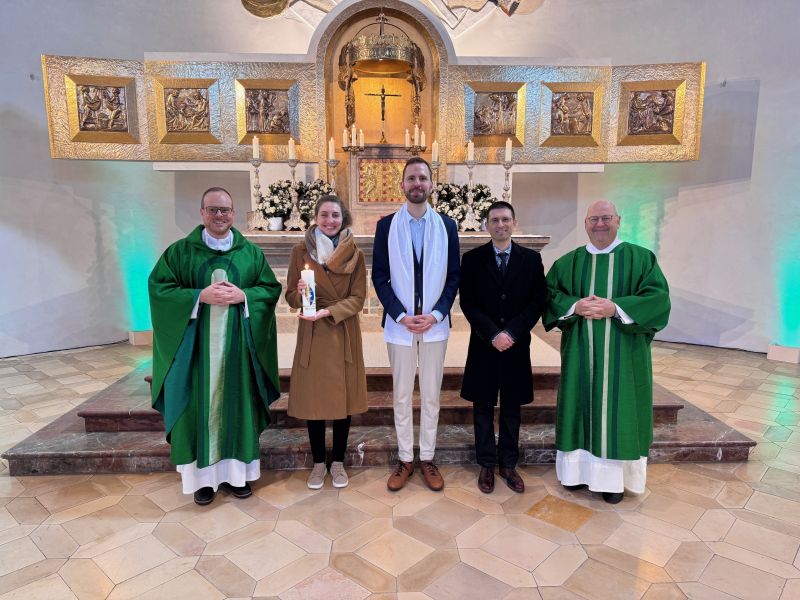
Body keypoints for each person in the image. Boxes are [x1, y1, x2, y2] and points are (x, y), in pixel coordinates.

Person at [148, 187, 281, 506]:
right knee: (197, 411)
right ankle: (202, 482)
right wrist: (197, 297)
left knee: (238, 406)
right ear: (202, 213)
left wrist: (244, 296)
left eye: (225, 210)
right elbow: (160, 290)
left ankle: (238, 478)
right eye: (213, 210)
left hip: (238, 352)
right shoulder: (180, 252)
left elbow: (269, 288)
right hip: (196, 356)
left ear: (234, 214)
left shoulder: (250, 253)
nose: (219, 215)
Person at [543, 200, 670, 504]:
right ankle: (574, 474)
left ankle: (612, 482)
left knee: (617, 411)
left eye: (606, 218)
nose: (599, 224)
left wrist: (616, 308)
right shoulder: (568, 262)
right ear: (585, 224)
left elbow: (658, 299)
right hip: (579, 356)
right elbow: (549, 295)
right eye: (593, 219)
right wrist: (575, 306)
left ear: (618, 220)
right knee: (578, 406)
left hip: (623, 357)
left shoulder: (640, 259)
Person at [372, 156, 460, 491]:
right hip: (400, 326)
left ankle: (428, 458)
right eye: (411, 178)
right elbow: (380, 277)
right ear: (402, 185)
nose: (417, 184)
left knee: (432, 395)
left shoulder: (448, 226)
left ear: (431, 184)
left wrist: (437, 313)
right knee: (401, 395)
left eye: (422, 178)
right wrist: (400, 314)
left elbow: (453, 276)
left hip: (436, 325)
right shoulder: (385, 226)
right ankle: (406, 458)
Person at [459, 201, 546, 494]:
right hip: (485, 344)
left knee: (511, 406)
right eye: (494, 220)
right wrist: (492, 333)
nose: (500, 225)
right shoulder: (471, 259)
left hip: (516, 344)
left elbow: (537, 301)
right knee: (482, 405)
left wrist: (512, 332)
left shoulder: (531, 260)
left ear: (514, 223)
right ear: (486, 225)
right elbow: (468, 301)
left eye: (505, 219)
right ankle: (486, 463)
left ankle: (508, 463)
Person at [285, 196, 368, 489]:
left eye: (335, 215)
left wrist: (330, 311)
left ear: (343, 219)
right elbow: (291, 298)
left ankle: (338, 462)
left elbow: (358, 298)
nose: (330, 220)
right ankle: (319, 463)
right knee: (314, 400)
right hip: (313, 332)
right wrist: (299, 293)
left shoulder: (355, 254)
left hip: (341, 329)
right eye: (324, 215)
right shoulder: (300, 251)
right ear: (315, 217)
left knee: (342, 402)